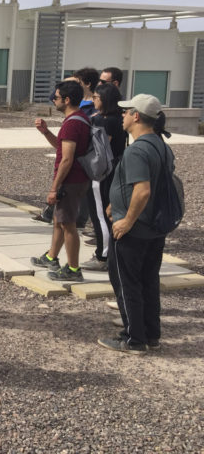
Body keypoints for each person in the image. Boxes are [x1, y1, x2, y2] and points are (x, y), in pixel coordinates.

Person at [98, 94, 172, 354]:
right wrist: (114, 203)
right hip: (154, 227)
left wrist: (126, 220)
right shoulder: (160, 145)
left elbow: (142, 191)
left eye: (126, 111)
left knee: (126, 282)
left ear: (136, 116)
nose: (122, 115)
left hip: (134, 228)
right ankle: (151, 334)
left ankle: (133, 339)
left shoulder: (138, 149)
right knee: (149, 281)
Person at [31, 80, 91, 282]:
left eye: (55, 98)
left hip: (71, 181)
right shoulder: (79, 119)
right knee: (59, 220)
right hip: (76, 179)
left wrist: (54, 188)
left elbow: (67, 158)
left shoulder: (72, 123)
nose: (53, 101)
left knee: (68, 224)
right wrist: (46, 132)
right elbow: (62, 147)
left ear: (66, 100)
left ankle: (74, 270)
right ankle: (51, 257)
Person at [80, 83, 127, 272]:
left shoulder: (105, 122)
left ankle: (103, 255)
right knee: (108, 213)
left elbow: (99, 148)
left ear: (105, 100)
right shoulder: (118, 118)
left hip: (102, 173)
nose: (93, 101)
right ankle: (110, 253)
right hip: (115, 169)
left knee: (100, 214)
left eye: (96, 98)